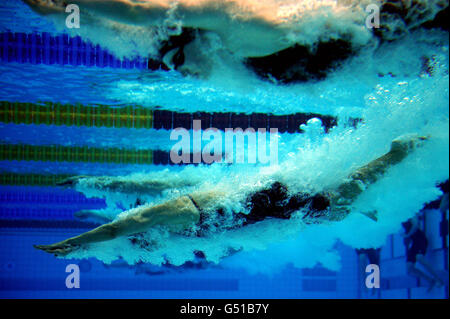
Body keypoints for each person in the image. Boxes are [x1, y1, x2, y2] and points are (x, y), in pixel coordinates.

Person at [34, 134, 429, 256]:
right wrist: (91, 197)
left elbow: (122, 227)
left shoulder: (171, 214)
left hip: (272, 200)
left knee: (339, 199)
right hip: (271, 205)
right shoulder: (174, 224)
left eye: (144, 239)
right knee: (337, 208)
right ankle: (370, 192)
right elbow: (135, 207)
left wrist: (75, 243)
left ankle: (397, 152)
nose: (148, 244)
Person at [401, 214, 445, 291]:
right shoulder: (400, 217)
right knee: (409, 268)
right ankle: (430, 280)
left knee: (420, 258)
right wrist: (406, 238)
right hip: (413, 242)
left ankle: (438, 279)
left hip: (420, 239)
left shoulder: (411, 213)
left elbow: (415, 225)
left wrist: (407, 235)